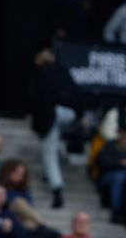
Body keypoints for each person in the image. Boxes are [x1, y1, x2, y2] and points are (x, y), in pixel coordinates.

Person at [29, 49, 83, 208]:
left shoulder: (41, 74)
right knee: (50, 144)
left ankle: (57, 188)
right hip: (69, 114)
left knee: (49, 152)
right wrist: (80, 115)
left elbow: (38, 99)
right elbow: (76, 93)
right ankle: (48, 175)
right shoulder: (63, 72)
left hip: (52, 113)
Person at [0, 160, 60, 237]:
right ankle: (41, 223)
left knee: (50, 232)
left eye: (21, 174)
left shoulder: (24, 190)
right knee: (19, 203)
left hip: (26, 221)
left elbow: (30, 207)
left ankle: (40, 225)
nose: (19, 176)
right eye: (16, 173)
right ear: (7, 173)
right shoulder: (0, 188)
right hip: (9, 219)